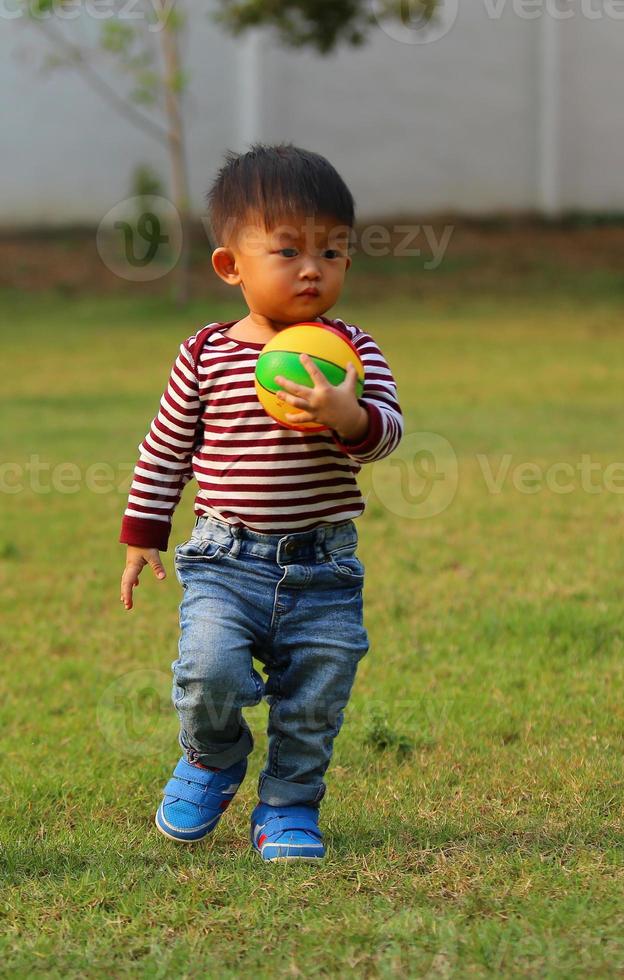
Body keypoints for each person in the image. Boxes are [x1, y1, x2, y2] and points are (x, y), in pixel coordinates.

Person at [118, 143, 404, 862]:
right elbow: (165, 449)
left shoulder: (353, 353)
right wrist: (142, 531)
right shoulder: (206, 354)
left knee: (314, 701)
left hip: (324, 569)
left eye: (333, 252)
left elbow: (386, 438)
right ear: (230, 266)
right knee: (207, 670)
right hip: (225, 559)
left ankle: (288, 805)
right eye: (289, 250)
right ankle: (213, 757)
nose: (314, 267)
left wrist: (350, 417)